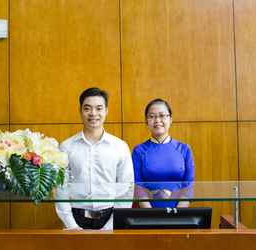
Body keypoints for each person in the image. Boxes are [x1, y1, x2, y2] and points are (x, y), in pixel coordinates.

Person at [55, 87, 134, 230]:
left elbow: (126, 188)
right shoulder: (66, 147)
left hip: (110, 217)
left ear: (106, 111)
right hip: (76, 217)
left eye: (99, 108)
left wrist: (111, 226)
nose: (93, 114)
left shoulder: (120, 147)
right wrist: (71, 225)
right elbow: (61, 189)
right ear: (80, 111)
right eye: (87, 108)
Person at [132, 98, 194, 208]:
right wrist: (151, 215)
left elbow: (188, 185)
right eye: (152, 116)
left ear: (170, 119)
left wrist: (178, 215)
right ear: (146, 121)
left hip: (180, 214)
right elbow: (138, 187)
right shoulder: (138, 151)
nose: (157, 120)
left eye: (162, 115)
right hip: (148, 214)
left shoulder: (184, 149)